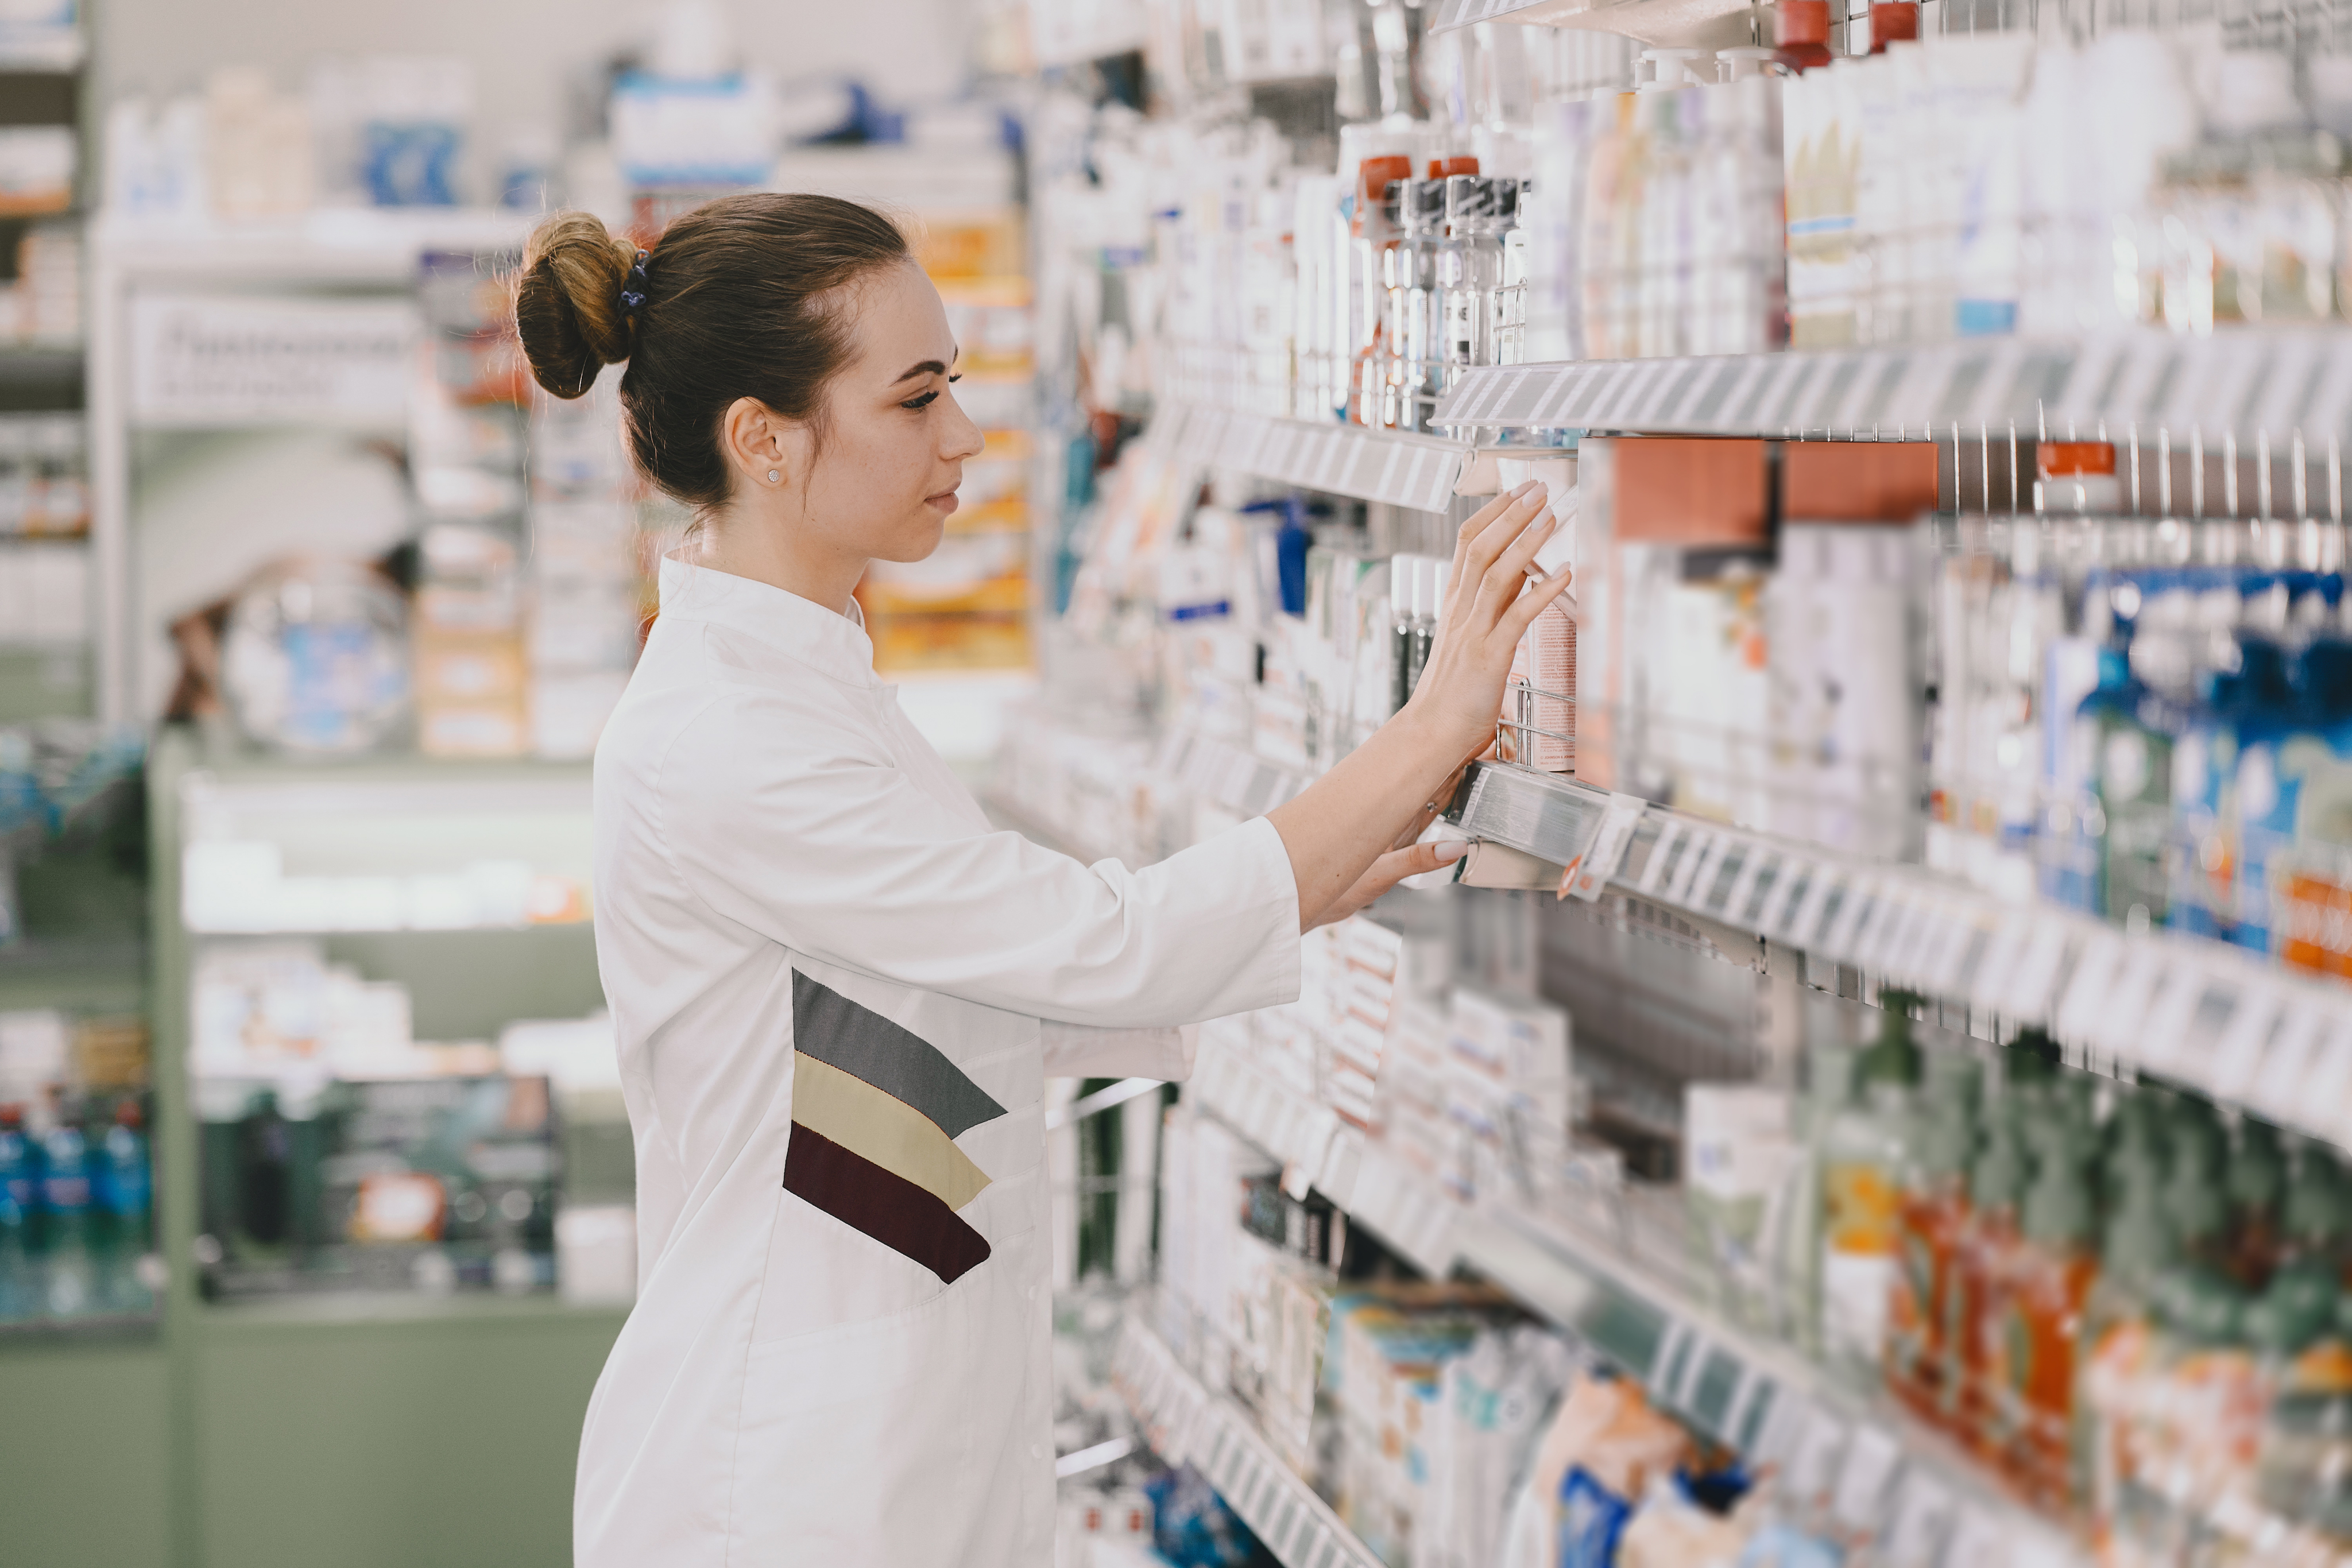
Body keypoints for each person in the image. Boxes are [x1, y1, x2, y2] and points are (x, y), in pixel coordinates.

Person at [513, 192, 1568, 1568]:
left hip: (876, 1451)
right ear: (762, 440)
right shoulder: (729, 739)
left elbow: (945, 993)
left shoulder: (810, 681)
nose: (963, 436)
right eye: (914, 399)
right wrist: (1428, 729)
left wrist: (1291, 885)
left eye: (953, 383)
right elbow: (1093, 947)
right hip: (776, 1490)